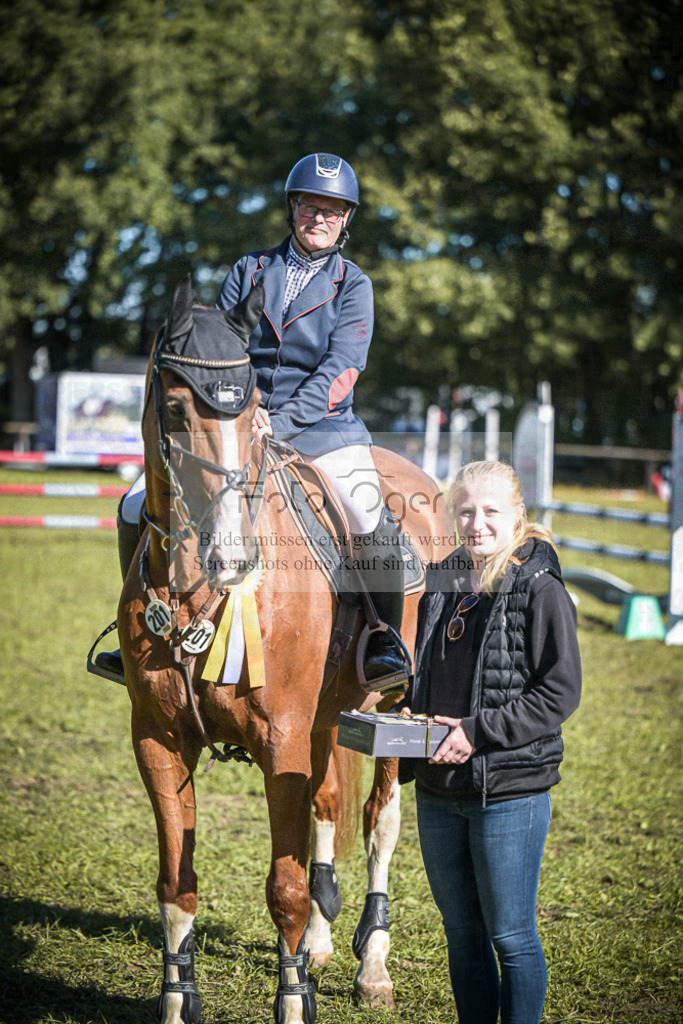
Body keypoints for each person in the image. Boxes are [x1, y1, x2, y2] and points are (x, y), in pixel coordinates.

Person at [95, 153, 406, 688]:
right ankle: (139, 625)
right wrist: (247, 407)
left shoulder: (354, 285)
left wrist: (280, 422)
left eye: (333, 210)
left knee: (364, 508)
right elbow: (222, 349)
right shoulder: (250, 269)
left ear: (346, 219)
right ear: (294, 208)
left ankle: (384, 641)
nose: (320, 218)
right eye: (311, 206)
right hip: (239, 419)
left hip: (323, 428)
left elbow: (342, 369)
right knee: (135, 501)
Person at [398, 460, 581, 1024]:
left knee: (511, 937)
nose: (476, 524)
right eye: (466, 511)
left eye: (490, 511)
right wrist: (411, 710)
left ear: (518, 517)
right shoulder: (445, 577)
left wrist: (476, 733)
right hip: (438, 787)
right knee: (462, 933)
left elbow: (560, 692)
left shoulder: (538, 587)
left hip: (508, 791)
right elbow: (433, 665)